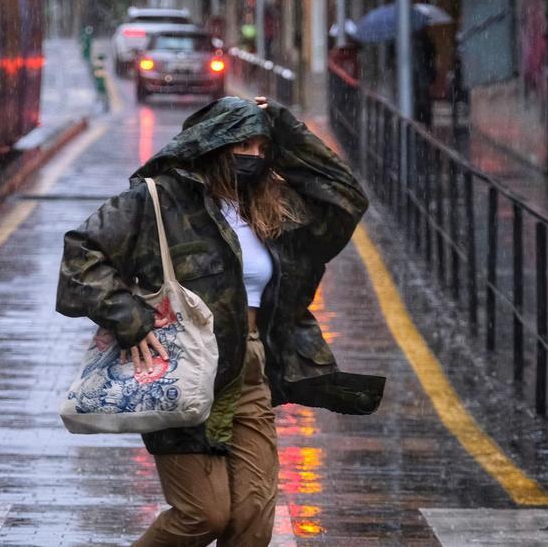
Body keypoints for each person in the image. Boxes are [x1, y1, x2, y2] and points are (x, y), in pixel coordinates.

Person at [56, 97, 384, 546]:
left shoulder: (273, 208)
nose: (251, 154)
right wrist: (130, 318)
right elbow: (82, 253)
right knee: (203, 515)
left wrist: (283, 126)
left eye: (260, 145)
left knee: (251, 518)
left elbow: (345, 198)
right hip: (184, 366)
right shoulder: (161, 199)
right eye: (239, 143)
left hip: (251, 368)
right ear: (212, 145)